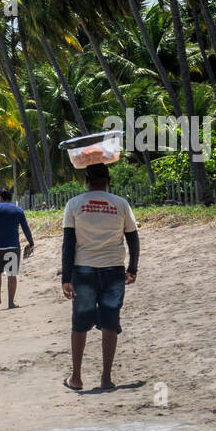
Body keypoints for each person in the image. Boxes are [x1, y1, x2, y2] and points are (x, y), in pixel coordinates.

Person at [61, 164, 139, 392]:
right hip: (114, 271)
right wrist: (132, 268)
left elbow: (69, 244)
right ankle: (106, 378)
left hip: (83, 271)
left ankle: (76, 378)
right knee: (110, 323)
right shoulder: (120, 204)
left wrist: (66, 277)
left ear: (86, 180)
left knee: (80, 324)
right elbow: (133, 239)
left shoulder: (74, 204)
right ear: (108, 180)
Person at [0, 187, 34, 309]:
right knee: (11, 274)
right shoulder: (18, 210)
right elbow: (25, 228)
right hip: (12, 246)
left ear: (0, 198)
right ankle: (11, 302)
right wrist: (31, 242)